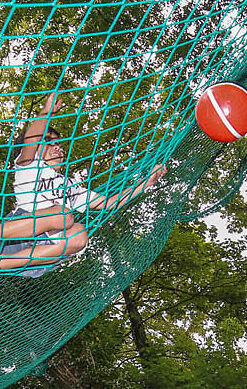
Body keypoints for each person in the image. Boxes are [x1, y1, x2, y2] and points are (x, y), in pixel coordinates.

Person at [1, 92, 166, 277]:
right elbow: (31, 139)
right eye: (47, 141)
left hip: (40, 253)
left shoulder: (70, 186)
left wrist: (145, 183)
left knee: (79, 235)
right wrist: (46, 112)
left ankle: (4, 264)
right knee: (63, 215)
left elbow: (109, 203)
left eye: (59, 144)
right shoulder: (29, 166)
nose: (57, 147)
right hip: (17, 236)